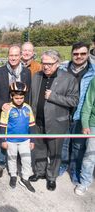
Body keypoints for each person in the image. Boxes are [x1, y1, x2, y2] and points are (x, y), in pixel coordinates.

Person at [29, 50, 79, 191]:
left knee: (55, 152)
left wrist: (54, 96)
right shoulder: (37, 76)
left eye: (49, 64)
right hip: (37, 121)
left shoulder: (69, 79)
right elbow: (32, 97)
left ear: (57, 63)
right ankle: (39, 172)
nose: (45, 67)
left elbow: (74, 101)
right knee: (39, 149)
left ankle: (51, 177)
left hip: (57, 123)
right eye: (43, 63)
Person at [0, 45, 31, 178]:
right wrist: (2, 105)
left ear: (20, 56)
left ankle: (16, 162)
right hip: (4, 111)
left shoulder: (26, 73)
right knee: (2, 138)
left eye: (16, 55)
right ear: (8, 56)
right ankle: (1, 163)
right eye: (11, 55)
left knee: (18, 137)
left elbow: (28, 94)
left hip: (19, 113)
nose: (13, 58)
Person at [59, 42, 95, 184]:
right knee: (64, 143)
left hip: (81, 114)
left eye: (82, 54)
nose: (79, 56)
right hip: (64, 113)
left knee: (78, 146)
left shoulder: (92, 72)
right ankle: (63, 165)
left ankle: (74, 170)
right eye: (76, 53)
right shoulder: (63, 69)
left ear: (87, 54)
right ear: (71, 54)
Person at [0, 82, 36, 192]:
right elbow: (2, 126)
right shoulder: (7, 108)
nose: (19, 100)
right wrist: (3, 140)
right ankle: (13, 175)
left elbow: (32, 125)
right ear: (12, 96)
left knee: (26, 160)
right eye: (16, 98)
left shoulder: (27, 108)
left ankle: (25, 178)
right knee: (12, 159)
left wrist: (32, 140)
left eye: (21, 98)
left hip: (25, 140)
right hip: (11, 140)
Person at [74, 76, 95, 195]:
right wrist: (85, 124)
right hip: (93, 123)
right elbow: (88, 104)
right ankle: (85, 182)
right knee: (90, 156)